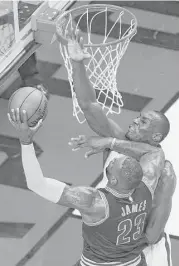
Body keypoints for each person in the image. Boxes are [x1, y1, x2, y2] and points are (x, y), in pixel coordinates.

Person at [64, 29, 176, 265]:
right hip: (112, 241)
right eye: (139, 117)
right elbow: (88, 104)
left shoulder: (163, 170)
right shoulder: (119, 138)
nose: (135, 121)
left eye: (143, 121)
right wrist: (77, 64)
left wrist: (123, 247)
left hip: (143, 248)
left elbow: (156, 226)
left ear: (155, 135)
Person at [8, 108, 155, 266]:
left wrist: (26, 142)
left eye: (114, 162)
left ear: (112, 179)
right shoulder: (147, 187)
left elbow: (36, 183)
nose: (113, 158)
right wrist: (110, 143)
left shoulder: (93, 202)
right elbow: (154, 153)